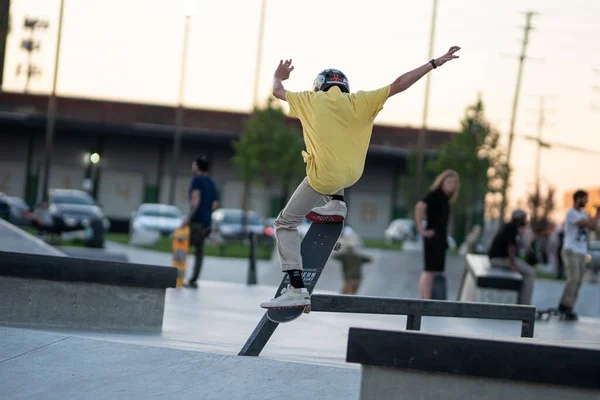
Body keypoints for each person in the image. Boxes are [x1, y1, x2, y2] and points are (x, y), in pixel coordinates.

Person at [259, 46, 462, 309]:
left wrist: (279, 75)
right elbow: (400, 84)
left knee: (284, 223)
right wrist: (434, 63)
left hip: (323, 178)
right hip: (352, 176)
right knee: (337, 158)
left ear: (318, 87)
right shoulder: (362, 100)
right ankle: (336, 203)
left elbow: (277, 91)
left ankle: (296, 288)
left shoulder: (309, 100)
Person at [414, 169, 460, 299]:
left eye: (454, 183)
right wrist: (420, 228)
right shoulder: (436, 194)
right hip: (432, 237)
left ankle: (427, 299)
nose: (452, 185)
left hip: (440, 239)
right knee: (429, 271)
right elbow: (420, 206)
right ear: (442, 182)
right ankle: (425, 299)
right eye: (449, 182)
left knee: (433, 271)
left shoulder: (445, 198)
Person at [556, 190, 600, 320]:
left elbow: (593, 227)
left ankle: (569, 306)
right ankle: (564, 305)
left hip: (581, 251)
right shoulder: (571, 213)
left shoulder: (583, 213)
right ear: (578, 198)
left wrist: (596, 214)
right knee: (573, 278)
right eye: (585, 199)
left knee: (579, 281)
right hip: (571, 250)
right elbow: (586, 224)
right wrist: (596, 213)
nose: (586, 201)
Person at [182, 155, 219, 289]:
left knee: (182, 246)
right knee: (199, 251)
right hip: (206, 222)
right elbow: (214, 205)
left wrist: (188, 219)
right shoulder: (212, 183)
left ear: (197, 166)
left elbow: (195, 201)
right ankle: (193, 279)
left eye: (194, 164)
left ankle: (179, 275)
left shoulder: (196, 180)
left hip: (196, 221)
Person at [487, 209, 535, 305]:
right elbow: (511, 247)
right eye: (524, 219)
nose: (526, 221)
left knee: (524, 272)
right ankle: (525, 304)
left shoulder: (509, 226)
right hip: (499, 259)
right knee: (530, 272)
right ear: (518, 219)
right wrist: (512, 264)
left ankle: (522, 302)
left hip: (497, 258)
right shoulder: (512, 227)